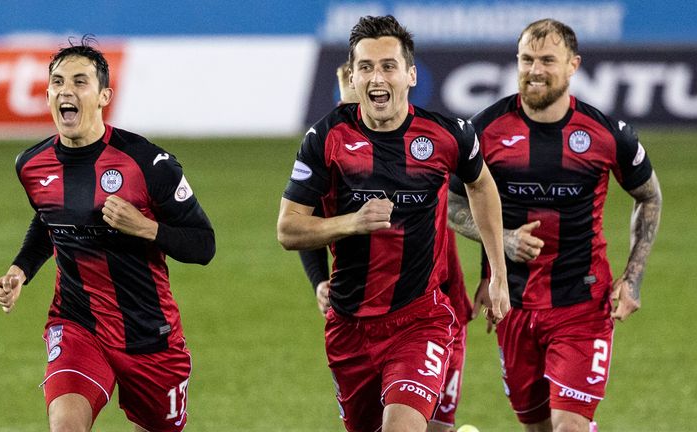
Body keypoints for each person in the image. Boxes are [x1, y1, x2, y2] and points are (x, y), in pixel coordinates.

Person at [277, 15, 510, 432]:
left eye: (388, 66)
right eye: (365, 67)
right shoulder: (325, 139)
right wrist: (350, 223)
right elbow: (289, 229)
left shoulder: (447, 135)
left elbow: (481, 186)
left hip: (420, 318)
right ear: (352, 76)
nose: (376, 77)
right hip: (349, 325)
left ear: (411, 74)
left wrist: (497, 275)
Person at [0, 36, 216, 432]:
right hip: (78, 325)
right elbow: (48, 221)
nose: (66, 91)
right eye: (58, 82)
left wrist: (144, 227)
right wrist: (20, 270)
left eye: (80, 82)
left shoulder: (148, 163)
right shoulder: (31, 165)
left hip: (149, 335)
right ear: (46, 95)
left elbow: (203, 244)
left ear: (104, 95)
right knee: (66, 425)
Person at [447, 19, 662, 432]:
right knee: (539, 427)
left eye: (548, 60)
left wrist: (633, 277)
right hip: (513, 305)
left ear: (573, 65)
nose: (535, 70)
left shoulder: (606, 134)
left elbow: (649, 196)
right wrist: (499, 248)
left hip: (582, 303)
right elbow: (454, 201)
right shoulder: (484, 130)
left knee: (569, 427)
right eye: (527, 59)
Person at [299, 60, 474, 432]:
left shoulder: (426, 146)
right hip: (357, 322)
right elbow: (304, 222)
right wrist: (318, 279)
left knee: (429, 425)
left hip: (434, 313)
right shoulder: (333, 148)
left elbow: (477, 197)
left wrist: (496, 272)